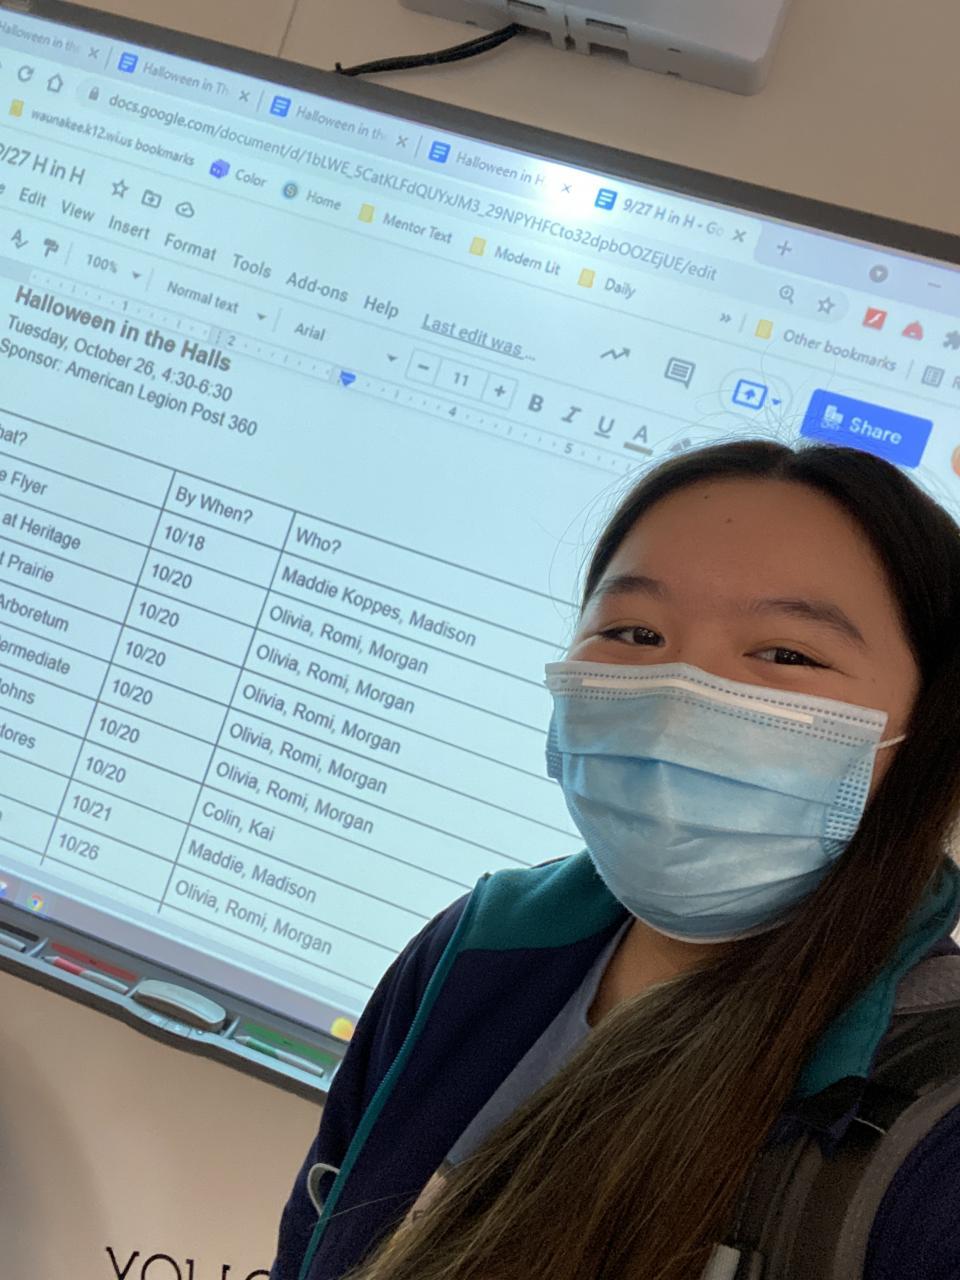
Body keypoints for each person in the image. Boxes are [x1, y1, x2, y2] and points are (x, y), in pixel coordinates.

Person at [270, 438, 960, 1280]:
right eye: (634, 632)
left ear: (928, 728)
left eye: (786, 654)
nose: (676, 701)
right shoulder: (477, 946)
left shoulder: (934, 1127)